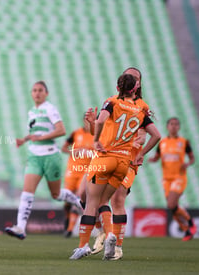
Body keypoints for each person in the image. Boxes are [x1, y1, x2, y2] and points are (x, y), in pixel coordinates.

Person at [70, 73, 161, 260]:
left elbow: (104, 125)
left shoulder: (112, 102)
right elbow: (156, 135)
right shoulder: (141, 108)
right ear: (134, 87)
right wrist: (91, 123)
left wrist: (95, 139)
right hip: (123, 161)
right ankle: (109, 235)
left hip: (106, 157)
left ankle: (87, 245)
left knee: (99, 201)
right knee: (93, 198)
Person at [4, 81, 81, 240]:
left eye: (40, 90)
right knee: (26, 193)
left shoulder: (50, 109)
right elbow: (35, 132)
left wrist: (41, 137)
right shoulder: (32, 111)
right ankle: (20, 228)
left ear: (46, 93)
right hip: (34, 156)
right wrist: (25, 139)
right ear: (31, 93)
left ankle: (79, 202)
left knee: (56, 194)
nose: (37, 93)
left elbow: (61, 130)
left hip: (50, 156)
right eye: (34, 90)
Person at [87, 67, 149, 260]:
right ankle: (104, 233)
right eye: (129, 76)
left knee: (118, 199)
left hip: (127, 159)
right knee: (87, 196)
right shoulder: (112, 102)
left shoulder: (141, 107)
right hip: (106, 156)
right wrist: (91, 123)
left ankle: (117, 247)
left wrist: (132, 145)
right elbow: (100, 132)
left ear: (139, 83)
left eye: (136, 78)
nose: (132, 80)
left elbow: (142, 136)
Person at [148, 117, 197, 241]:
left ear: (179, 127)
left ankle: (190, 223)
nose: (174, 126)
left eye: (176, 124)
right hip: (166, 179)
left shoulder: (184, 142)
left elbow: (192, 158)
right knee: (172, 207)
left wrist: (187, 163)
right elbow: (157, 157)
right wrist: (153, 159)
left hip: (179, 177)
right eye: (171, 124)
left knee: (171, 203)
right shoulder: (162, 143)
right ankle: (186, 231)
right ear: (167, 127)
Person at [61, 120, 93, 238]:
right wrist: (73, 151)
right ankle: (67, 218)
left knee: (78, 198)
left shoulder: (96, 136)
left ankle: (69, 229)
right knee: (67, 199)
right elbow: (63, 148)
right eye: (86, 121)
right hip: (72, 170)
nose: (88, 123)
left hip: (85, 171)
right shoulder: (76, 133)